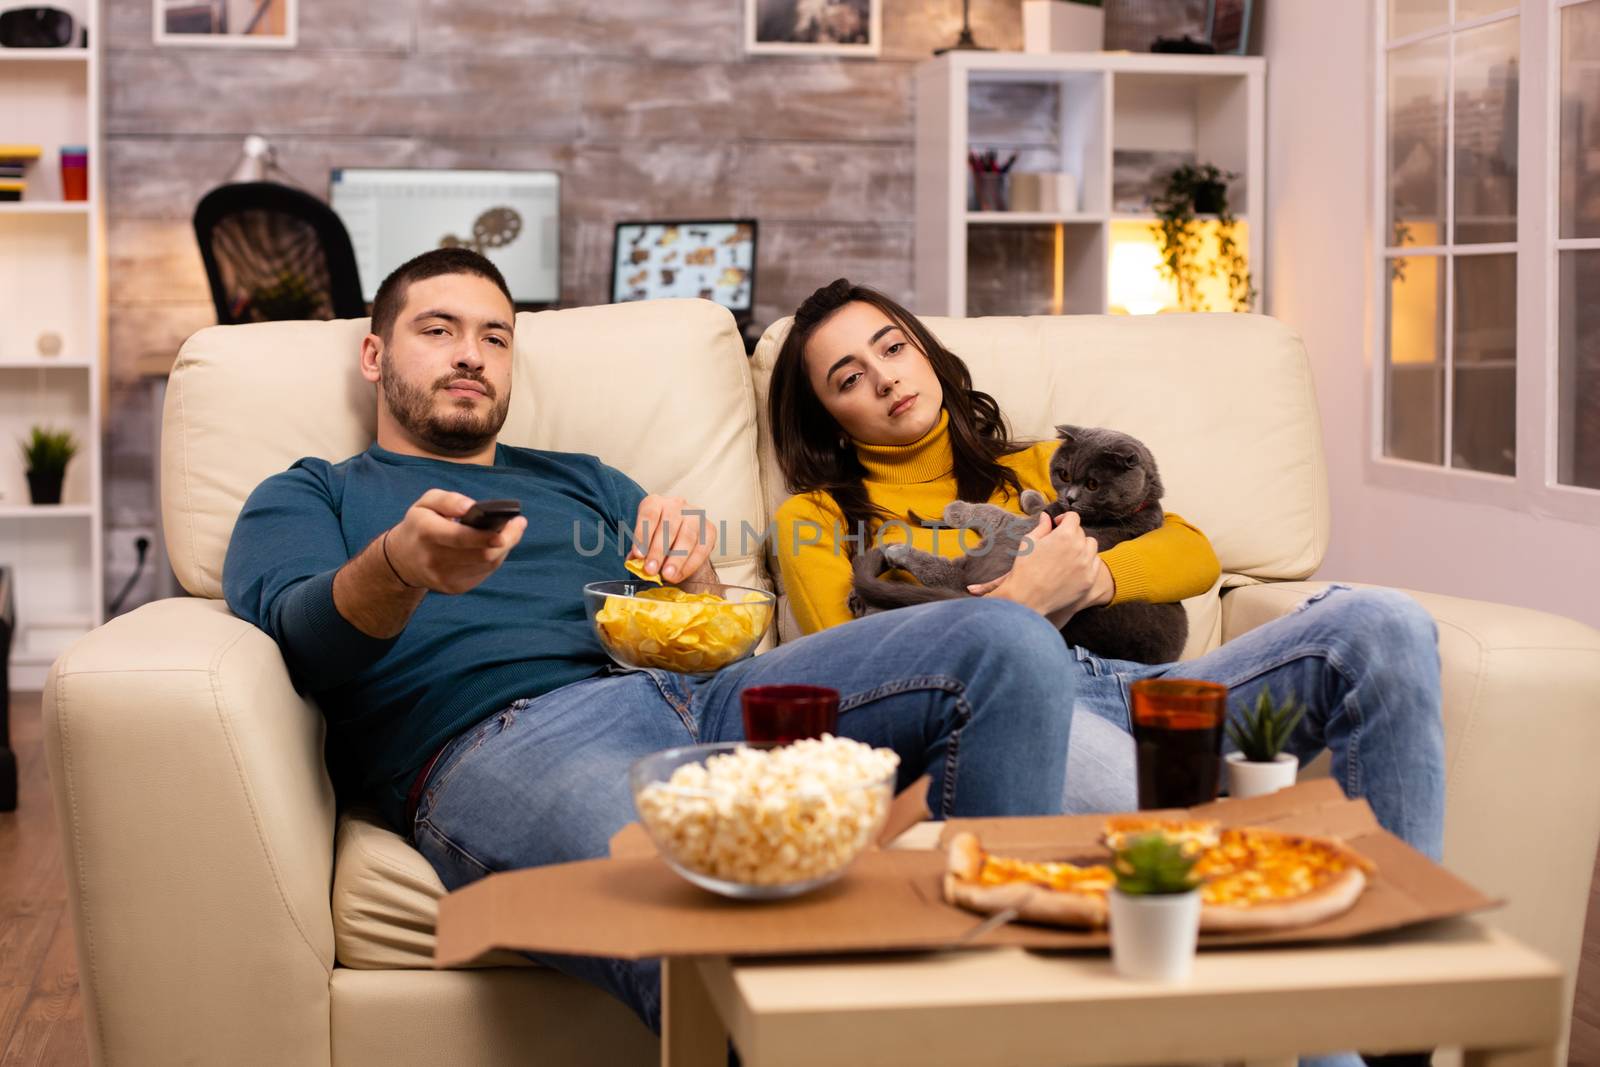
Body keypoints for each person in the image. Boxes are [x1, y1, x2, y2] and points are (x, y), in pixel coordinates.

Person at [223, 248, 1093, 1034]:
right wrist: (400, 564)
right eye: (439, 330)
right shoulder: (312, 492)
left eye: (495, 336)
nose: (470, 354)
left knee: (1000, 636)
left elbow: (705, 635)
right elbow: (304, 644)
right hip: (503, 740)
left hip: (705, 698)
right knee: (709, 908)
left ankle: (995, 1021)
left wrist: (695, 580)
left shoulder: (584, 477)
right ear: (374, 356)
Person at [766, 279, 1445, 1067]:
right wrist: (1023, 599)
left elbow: (1193, 550)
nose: (884, 377)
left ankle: (1401, 1027)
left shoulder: (1040, 463)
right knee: (1176, 836)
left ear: (923, 351)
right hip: (1016, 715)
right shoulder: (815, 519)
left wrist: (1090, 579)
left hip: (1137, 686)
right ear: (828, 416)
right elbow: (854, 664)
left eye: (892, 347)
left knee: (1383, 624)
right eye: (848, 377)